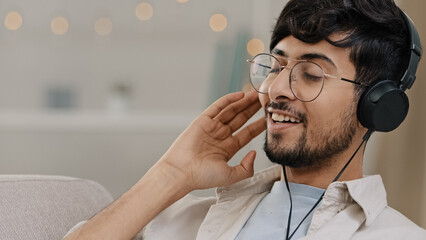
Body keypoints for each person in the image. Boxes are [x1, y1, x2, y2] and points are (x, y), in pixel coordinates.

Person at [64, 0, 426, 239]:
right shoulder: (188, 222)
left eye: (312, 73)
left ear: (379, 104)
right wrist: (172, 174)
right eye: (277, 65)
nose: (277, 88)